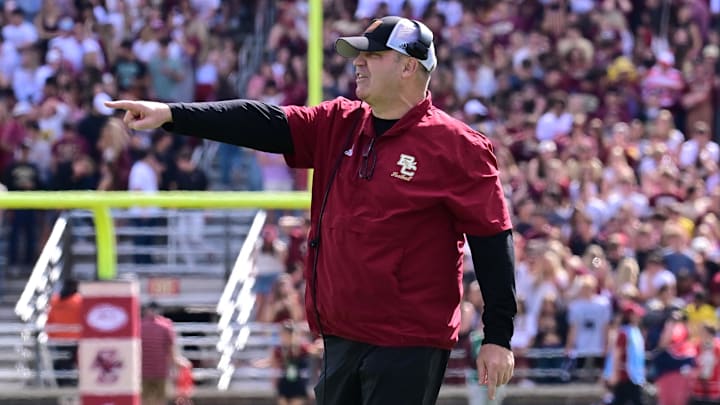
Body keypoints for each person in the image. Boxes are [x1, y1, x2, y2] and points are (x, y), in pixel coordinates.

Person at [107, 16, 517, 405]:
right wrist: (172, 114)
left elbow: (492, 240)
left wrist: (497, 336)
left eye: (372, 55)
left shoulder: (458, 147)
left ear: (409, 66)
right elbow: (263, 121)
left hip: (407, 340)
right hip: (340, 335)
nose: (358, 62)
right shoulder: (338, 122)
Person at [140, 302, 190, 405]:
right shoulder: (166, 327)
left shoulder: (138, 327)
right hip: (161, 371)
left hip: (143, 371)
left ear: (146, 311)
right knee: (160, 400)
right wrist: (178, 365)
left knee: (144, 400)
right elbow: (171, 351)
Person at [46, 278, 82, 387]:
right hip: (76, 340)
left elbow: (49, 321)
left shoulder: (55, 301)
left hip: (58, 340)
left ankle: (62, 384)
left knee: (60, 363)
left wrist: (52, 336)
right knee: (74, 364)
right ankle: (72, 384)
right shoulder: (79, 301)